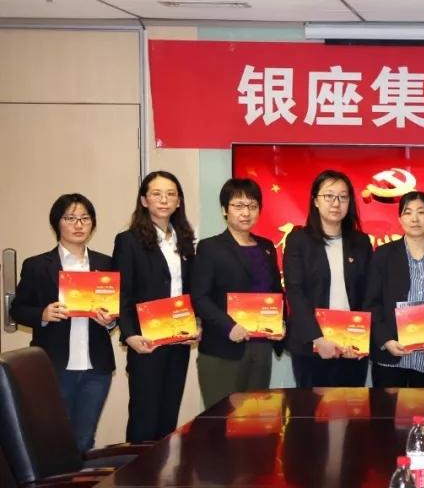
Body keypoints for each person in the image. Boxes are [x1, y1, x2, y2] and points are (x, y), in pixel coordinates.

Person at [11, 193, 116, 453]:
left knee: (84, 440)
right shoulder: (37, 265)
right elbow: (18, 309)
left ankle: (80, 481)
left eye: (85, 218)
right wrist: (43, 314)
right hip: (54, 366)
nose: (79, 225)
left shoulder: (106, 264)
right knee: (53, 441)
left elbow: (118, 311)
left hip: (96, 367)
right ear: (57, 223)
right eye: (70, 218)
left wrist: (110, 322)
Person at [114, 171, 198, 442]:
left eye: (171, 194)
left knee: (168, 416)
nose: (164, 200)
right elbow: (122, 293)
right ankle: (137, 470)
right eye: (157, 194)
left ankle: (163, 470)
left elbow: (191, 290)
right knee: (144, 416)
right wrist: (129, 334)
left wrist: (196, 324)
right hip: (146, 341)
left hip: (179, 339)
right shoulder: (128, 241)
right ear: (144, 200)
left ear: (178, 201)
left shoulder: (185, 240)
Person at [191, 178, 283, 409]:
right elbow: (200, 297)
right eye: (238, 206)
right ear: (225, 209)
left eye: (252, 206)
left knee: (255, 420)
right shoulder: (210, 247)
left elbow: (276, 293)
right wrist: (228, 326)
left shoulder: (267, 247)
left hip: (261, 349)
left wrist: (281, 323)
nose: (246, 212)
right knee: (222, 420)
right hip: (223, 348)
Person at [284, 169, 372, 388]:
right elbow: (295, 292)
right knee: (312, 408)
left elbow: (369, 293)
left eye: (343, 197)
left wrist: (360, 339)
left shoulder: (361, 242)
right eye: (329, 196)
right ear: (315, 201)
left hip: (352, 346)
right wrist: (318, 339)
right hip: (311, 346)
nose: (336, 203)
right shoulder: (298, 240)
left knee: (352, 407)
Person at [362, 191, 424, 387]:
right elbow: (371, 303)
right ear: (399, 219)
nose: (414, 219)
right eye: (408, 212)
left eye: (421, 212)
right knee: (386, 407)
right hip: (391, 355)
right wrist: (386, 340)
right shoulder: (383, 255)